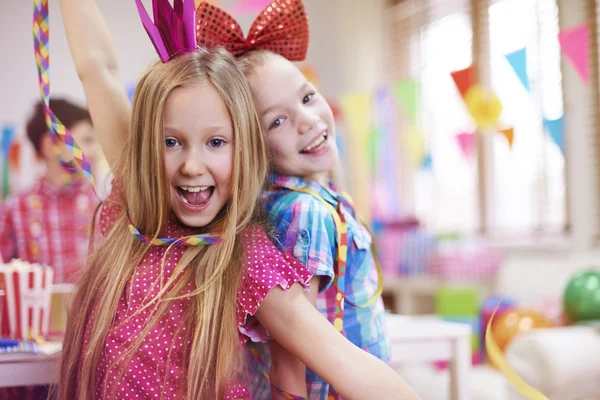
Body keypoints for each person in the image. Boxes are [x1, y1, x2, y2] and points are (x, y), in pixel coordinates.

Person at [57, 0, 421, 399]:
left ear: (247, 149)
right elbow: (97, 69)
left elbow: (346, 363)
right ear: (147, 147)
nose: (192, 165)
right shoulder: (136, 204)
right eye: (171, 142)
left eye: (216, 142)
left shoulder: (247, 259)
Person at [196, 1, 392, 398]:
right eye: (277, 121)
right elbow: (290, 349)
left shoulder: (317, 199)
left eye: (307, 97)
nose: (308, 119)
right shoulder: (305, 211)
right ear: (254, 147)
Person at [0, 99, 99, 284]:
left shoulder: (102, 203)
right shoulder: (15, 208)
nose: (93, 151)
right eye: (87, 140)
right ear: (51, 145)